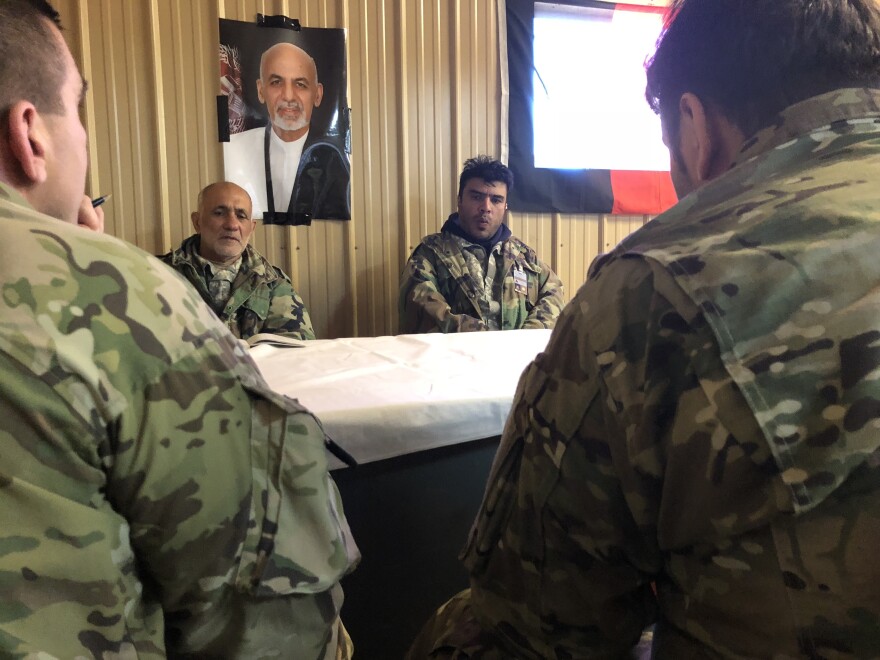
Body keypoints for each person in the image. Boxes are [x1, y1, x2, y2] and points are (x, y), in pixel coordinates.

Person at [407, 0, 880, 657]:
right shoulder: (433, 254)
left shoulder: (653, 286)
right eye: (477, 197)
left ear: (693, 128)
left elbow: (531, 627)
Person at [0, 1, 358, 657]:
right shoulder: (131, 292)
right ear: (31, 134)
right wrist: (83, 273)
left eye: (241, 215)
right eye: (76, 111)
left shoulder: (266, 283)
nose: (231, 224)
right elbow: (262, 603)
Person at [398, 156, 564, 333]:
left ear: (505, 206)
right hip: (455, 358)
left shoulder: (524, 257)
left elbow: (553, 294)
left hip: (518, 357)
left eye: (496, 200)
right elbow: (422, 309)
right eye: (476, 197)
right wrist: (486, 343)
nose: (486, 207)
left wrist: (523, 339)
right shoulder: (429, 254)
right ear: (460, 200)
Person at [160, 180, 316, 341]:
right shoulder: (158, 274)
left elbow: (297, 351)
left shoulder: (272, 283)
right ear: (197, 221)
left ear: (252, 227)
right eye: (219, 213)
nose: (232, 225)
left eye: (241, 216)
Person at [223, 41, 350, 223]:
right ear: (261, 90)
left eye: (300, 84)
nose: (289, 96)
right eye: (276, 82)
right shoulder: (233, 149)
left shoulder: (341, 158)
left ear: (318, 94)